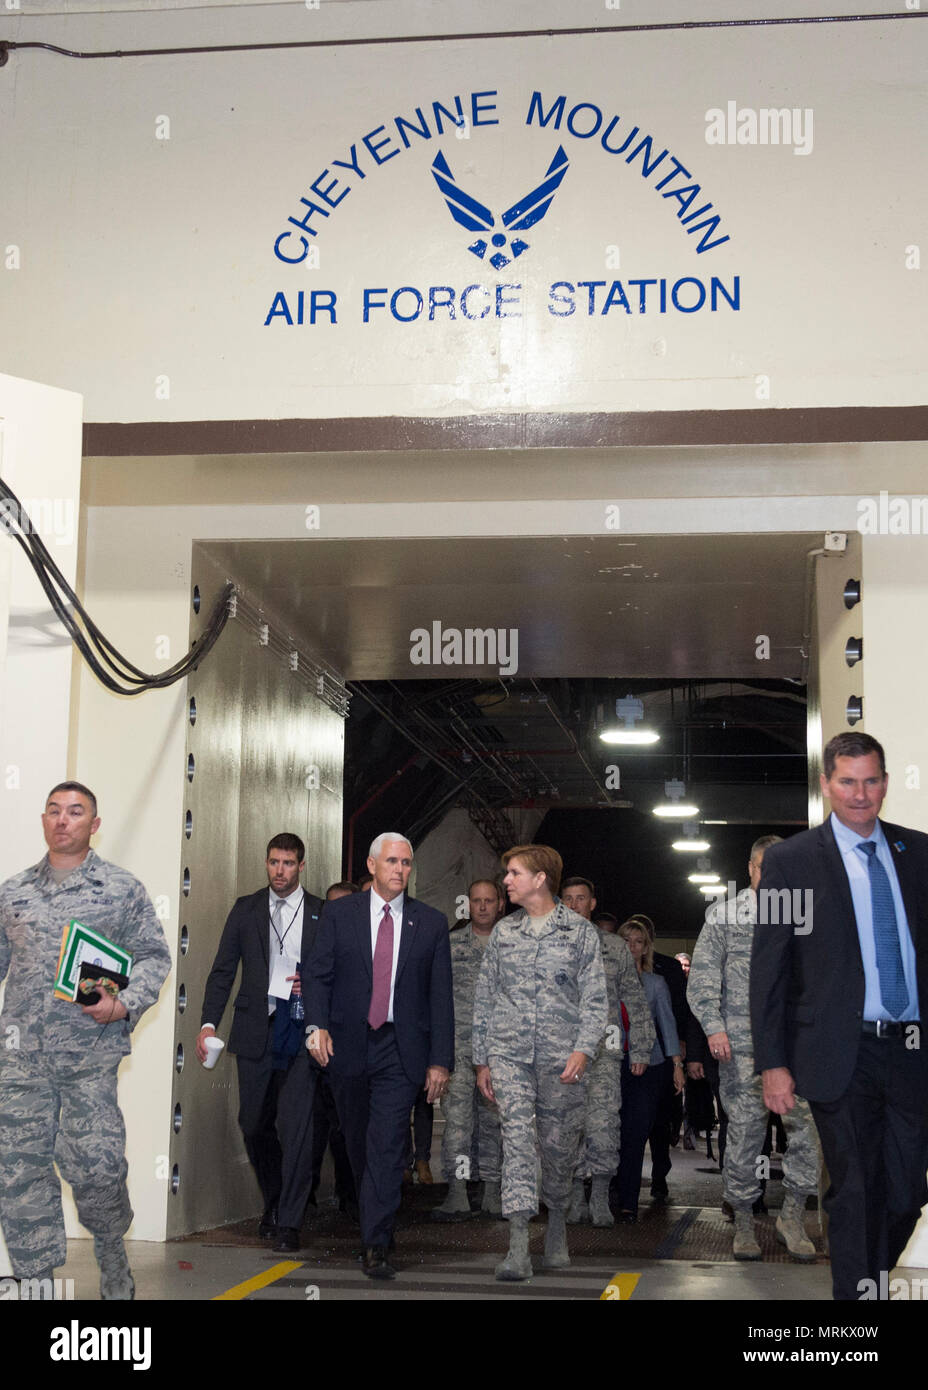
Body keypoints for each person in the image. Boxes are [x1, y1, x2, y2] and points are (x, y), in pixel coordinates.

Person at [752, 731, 928, 1301]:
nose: (861, 794)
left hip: (912, 1050)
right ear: (826, 783)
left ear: (884, 781)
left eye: (872, 780)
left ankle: (872, 1287)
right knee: (854, 1188)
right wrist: (773, 1063)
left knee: (904, 1193)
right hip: (838, 1051)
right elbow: (770, 969)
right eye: (847, 781)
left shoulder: (920, 852)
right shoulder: (789, 861)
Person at [0, 782, 171, 1299]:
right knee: (20, 1173)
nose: (62, 820)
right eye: (53, 811)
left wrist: (123, 1004)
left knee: (95, 1168)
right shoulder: (13, 892)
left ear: (94, 825)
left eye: (75, 812)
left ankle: (113, 1252)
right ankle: (35, 1285)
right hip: (21, 1061)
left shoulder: (122, 889)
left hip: (88, 1060)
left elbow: (154, 957)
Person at [306, 833, 453, 1279]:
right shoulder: (338, 914)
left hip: (400, 1049)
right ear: (371, 865)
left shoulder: (430, 923)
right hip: (348, 1047)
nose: (400, 870)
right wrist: (316, 1027)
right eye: (392, 861)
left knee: (387, 1145)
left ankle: (376, 1243)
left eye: (407, 863)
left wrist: (440, 1060)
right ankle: (377, 1221)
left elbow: (439, 998)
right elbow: (318, 975)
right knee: (357, 1144)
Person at [473, 845, 607, 1281]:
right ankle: (517, 1245)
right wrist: (482, 1060)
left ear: (540, 879)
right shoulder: (504, 933)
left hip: (561, 1061)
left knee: (558, 1147)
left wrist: (583, 1049)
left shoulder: (580, 934)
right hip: (509, 1055)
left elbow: (595, 1000)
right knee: (516, 1140)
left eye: (513, 873)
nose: (506, 881)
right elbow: (485, 998)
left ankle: (556, 1226)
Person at [689, 836, 820, 1261]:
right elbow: (704, 980)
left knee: (808, 1130)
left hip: (796, 1045)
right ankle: (743, 1220)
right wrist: (714, 1028)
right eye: (766, 866)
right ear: (751, 868)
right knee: (745, 1133)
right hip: (741, 1046)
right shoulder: (725, 916)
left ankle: (793, 1216)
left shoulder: (803, 917)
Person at [198, 833, 324, 1248]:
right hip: (256, 1031)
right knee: (252, 1124)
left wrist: (315, 987)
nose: (280, 871)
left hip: (302, 1034)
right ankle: (274, 1200)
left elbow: (336, 975)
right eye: (273, 862)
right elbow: (222, 972)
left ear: (301, 866)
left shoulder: (322, 914)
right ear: (266, 862)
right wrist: (208, 1025)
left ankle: (289, 1221)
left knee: (298, 1130)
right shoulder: (246, 909)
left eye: (288, 864)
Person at [560, 876, 654, 1227]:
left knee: (603, 1126)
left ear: (592, 903)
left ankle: (599, 1195)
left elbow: (636, 1000)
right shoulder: (550, 943)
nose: (574, 905)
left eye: (580, 899)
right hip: (562, 1054)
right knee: (566, 1127)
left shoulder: (614, 948)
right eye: (567, 899)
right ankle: (572, 1195)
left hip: (603, 1053)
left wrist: (641, 1048)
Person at [433, 879, 503, 1221]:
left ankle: (492, 1192)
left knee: (494, 1124)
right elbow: (435, 998)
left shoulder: (512, 945)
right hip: (459, 1051)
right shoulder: (449, 945)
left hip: (499, 1051)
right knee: (458, 1124)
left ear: (500, 904)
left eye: (489, 900)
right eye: (477, 901)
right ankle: (458, 1192)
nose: (483, 907)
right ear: (468, 904)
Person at [613, 919, 684, 1222]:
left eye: (638, 941)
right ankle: (608, 1194)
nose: (632, 947)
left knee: (635, 1132)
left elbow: (668, 1026)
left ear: (646, 948)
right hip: (610, 1067)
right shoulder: (604, 981)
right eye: (626, 940)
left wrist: (677, 1065)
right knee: (609, 1134)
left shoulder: (656, 984)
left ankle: (628, 1201)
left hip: (649, 1068)